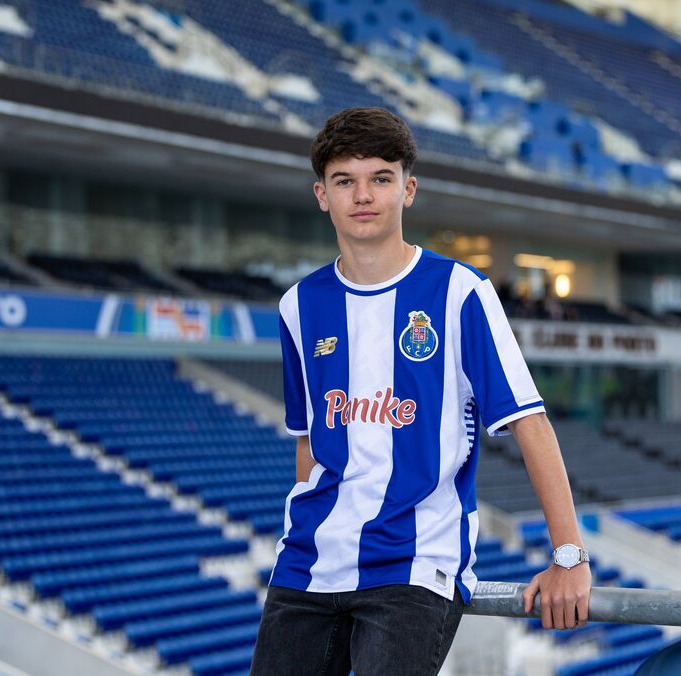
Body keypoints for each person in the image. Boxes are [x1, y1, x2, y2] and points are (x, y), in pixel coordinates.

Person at [250, 107, 591, 676]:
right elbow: (309, 441)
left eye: (381, 178)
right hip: (308, 566)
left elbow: (530, 423)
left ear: (408, 190)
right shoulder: (298, 306)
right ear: (321, 195)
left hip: (414, 566)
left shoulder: (460, 292)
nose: (363, 195)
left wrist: (569, 556)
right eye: (345, 181)